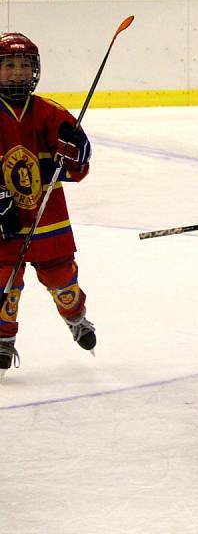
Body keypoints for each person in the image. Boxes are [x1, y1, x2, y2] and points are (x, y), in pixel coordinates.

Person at [0, 32, 96, 378]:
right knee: (4, 284)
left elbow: (77, 168)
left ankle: (75, 316)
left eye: (24, 65)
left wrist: (77, 151)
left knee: (63, 282)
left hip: (47, 218)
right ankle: (3, 339)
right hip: (3, 221)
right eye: (9, 65)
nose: (17, 72)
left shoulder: (51, 113)